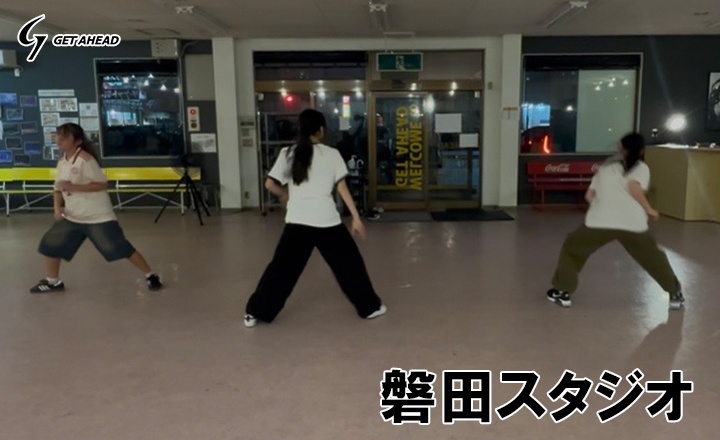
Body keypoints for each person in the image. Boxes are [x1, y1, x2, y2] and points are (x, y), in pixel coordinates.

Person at [244, 109, 385, 328]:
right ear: (320, 130)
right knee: (349, 265)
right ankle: (370, 308)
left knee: (281, 269)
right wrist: (356, 217)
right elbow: (341, 187)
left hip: (297, 220)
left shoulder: (287, 153)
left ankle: (255, 312)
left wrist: (285, 195)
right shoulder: (331, 154)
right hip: (326, 221)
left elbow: (270, 184)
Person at [546, 133, 684, 310]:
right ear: (641, 151)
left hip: (599, 222)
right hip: (633, 223)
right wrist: (649, 209)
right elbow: (634, 187)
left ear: (620, 147)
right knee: (653, 258)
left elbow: (589, 196)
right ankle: (675, 294)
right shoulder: (641, 167)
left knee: (572, 249)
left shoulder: (605, 167)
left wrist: (604, 207)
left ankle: (562, 292)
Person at [29, 123, 163, 293]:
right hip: (72, 216)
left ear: (77, 141)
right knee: (52, 244)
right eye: (58, 135)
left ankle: (150, 275)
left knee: (119, 248)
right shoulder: (62, 161)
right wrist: (57, 208)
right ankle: (52, 281)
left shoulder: (86, 160)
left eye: (65, 136)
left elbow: (101, 185)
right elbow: (58, 189)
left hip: (97, 217)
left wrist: (73, 187)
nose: (59, 140)